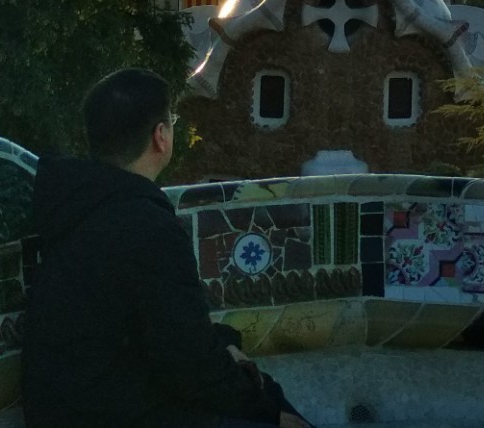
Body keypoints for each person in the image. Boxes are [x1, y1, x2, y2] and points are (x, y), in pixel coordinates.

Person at [21, 68, 314, 428]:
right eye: (171, 122)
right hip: (108, 413)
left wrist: (225, 343)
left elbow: (160, 329)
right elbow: (187, 362)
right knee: (273, 409)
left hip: (74, 404)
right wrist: (269, 413)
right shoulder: (144, 225)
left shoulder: (77, 203)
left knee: (260, 389)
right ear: (160, 136)